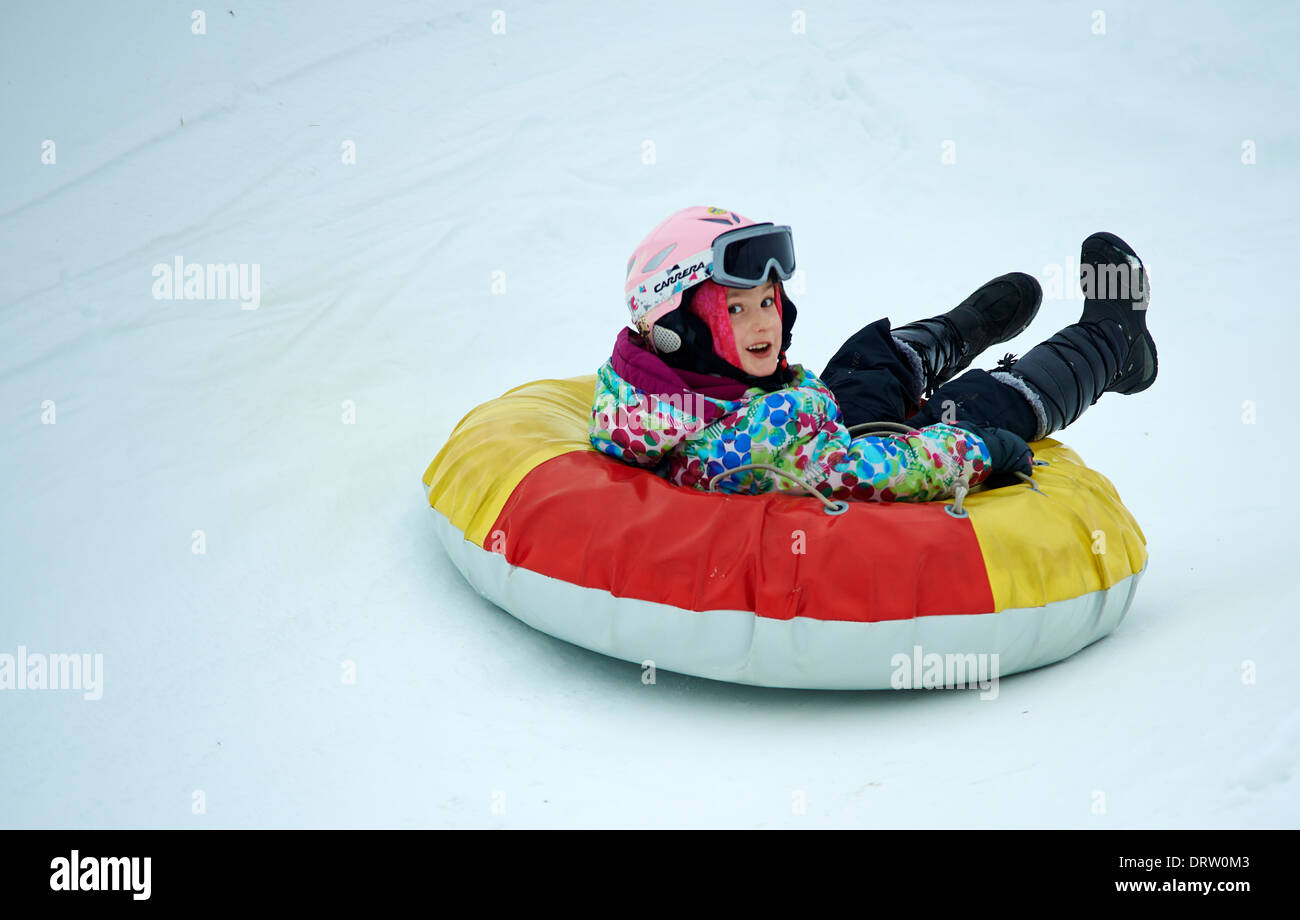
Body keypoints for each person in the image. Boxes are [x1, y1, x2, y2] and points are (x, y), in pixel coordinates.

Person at [588, 205, 1157, 503]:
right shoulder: (747, 450)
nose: (764, 321)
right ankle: (1113, 346)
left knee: (861, 364)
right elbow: (874, 471)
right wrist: (977, 453)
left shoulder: (649, 392)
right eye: (735, 310)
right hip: (845, 453)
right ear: (675, 327)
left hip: (810, 424)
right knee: (975, 406)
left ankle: (955, 334)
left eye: (768, 301)